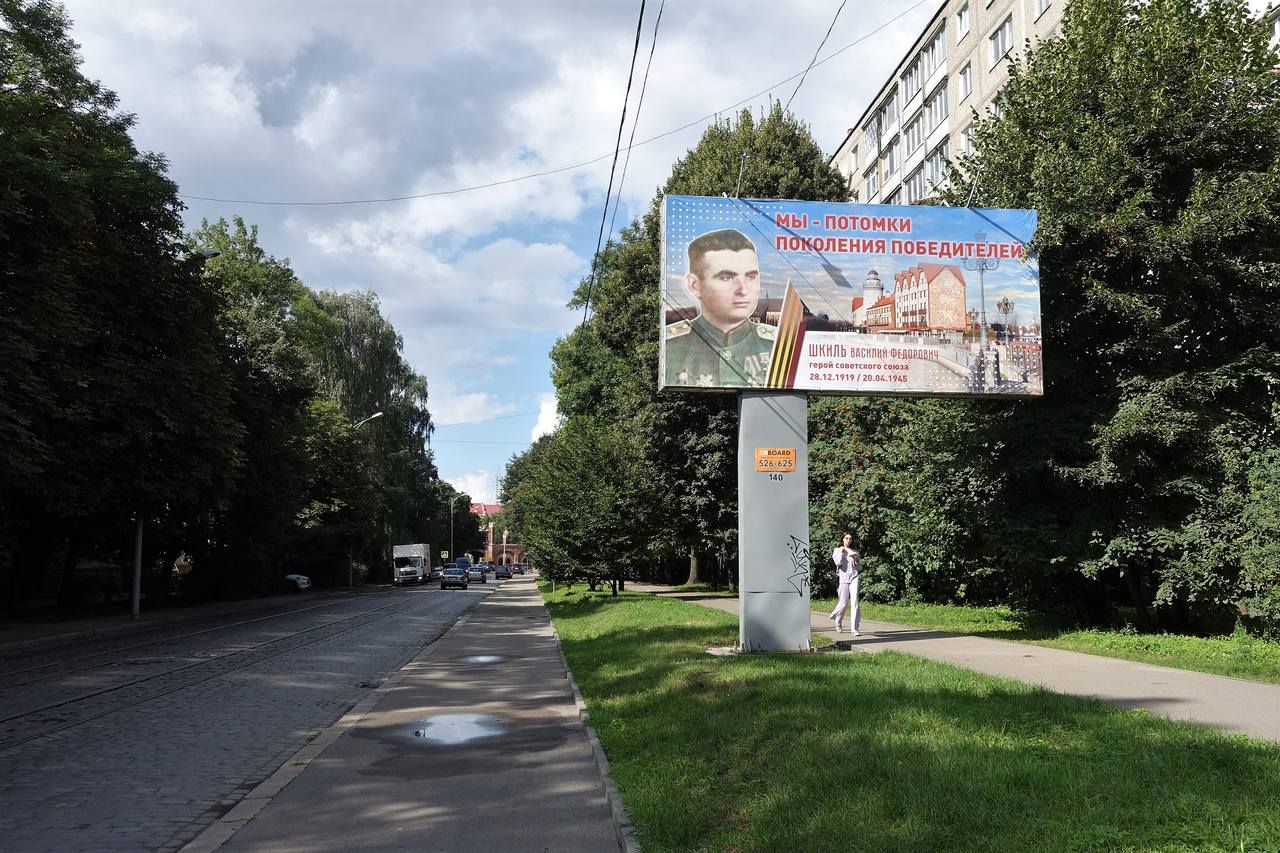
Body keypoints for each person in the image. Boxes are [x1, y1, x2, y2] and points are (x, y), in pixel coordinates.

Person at [664, 228, 776, 387]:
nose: (743, 290)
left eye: (751, 276)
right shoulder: (669, 345)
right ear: (694, 285)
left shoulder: (781, 345)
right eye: (726, 277)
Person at [828, 533, 861, 635]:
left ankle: (855, 629)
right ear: (842, 539)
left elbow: (859, 568)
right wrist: (841, 553)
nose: (848, 540)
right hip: (843, 579)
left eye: (850, 538)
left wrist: (857, 560)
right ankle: (837, 620)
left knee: (855, 602)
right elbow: (838, 563)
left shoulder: (855, 551)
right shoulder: (837, 550)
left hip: (854, 577)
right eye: (846, 538)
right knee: (843, 603)